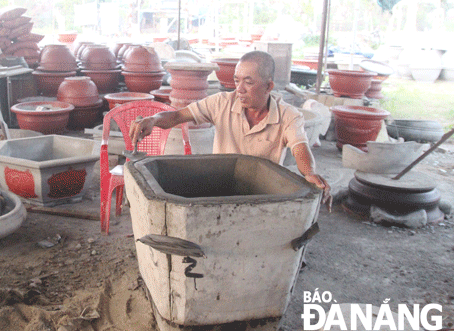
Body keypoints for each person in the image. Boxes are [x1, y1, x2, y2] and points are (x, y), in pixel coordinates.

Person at [129, 50, 332, 211]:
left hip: (262, 197)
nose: (239, 89)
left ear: (268, 86)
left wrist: (310, 173)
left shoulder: (288, 115)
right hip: (221, 192)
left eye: (248, 82)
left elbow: (300, 148)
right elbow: (177, 116)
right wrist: (153, 120)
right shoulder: (222, 103)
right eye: (236, 80)